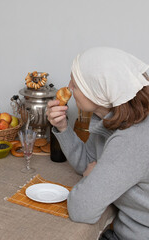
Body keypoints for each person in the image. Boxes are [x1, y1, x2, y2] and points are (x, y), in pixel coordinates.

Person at [46, 47, 149, 240]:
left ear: (98, 92)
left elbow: (82, 209)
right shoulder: (112, 119)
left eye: (75, 84)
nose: (68, 88)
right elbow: (87, 163)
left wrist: (94, 176)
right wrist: (63, 127)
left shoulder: (131, 139)